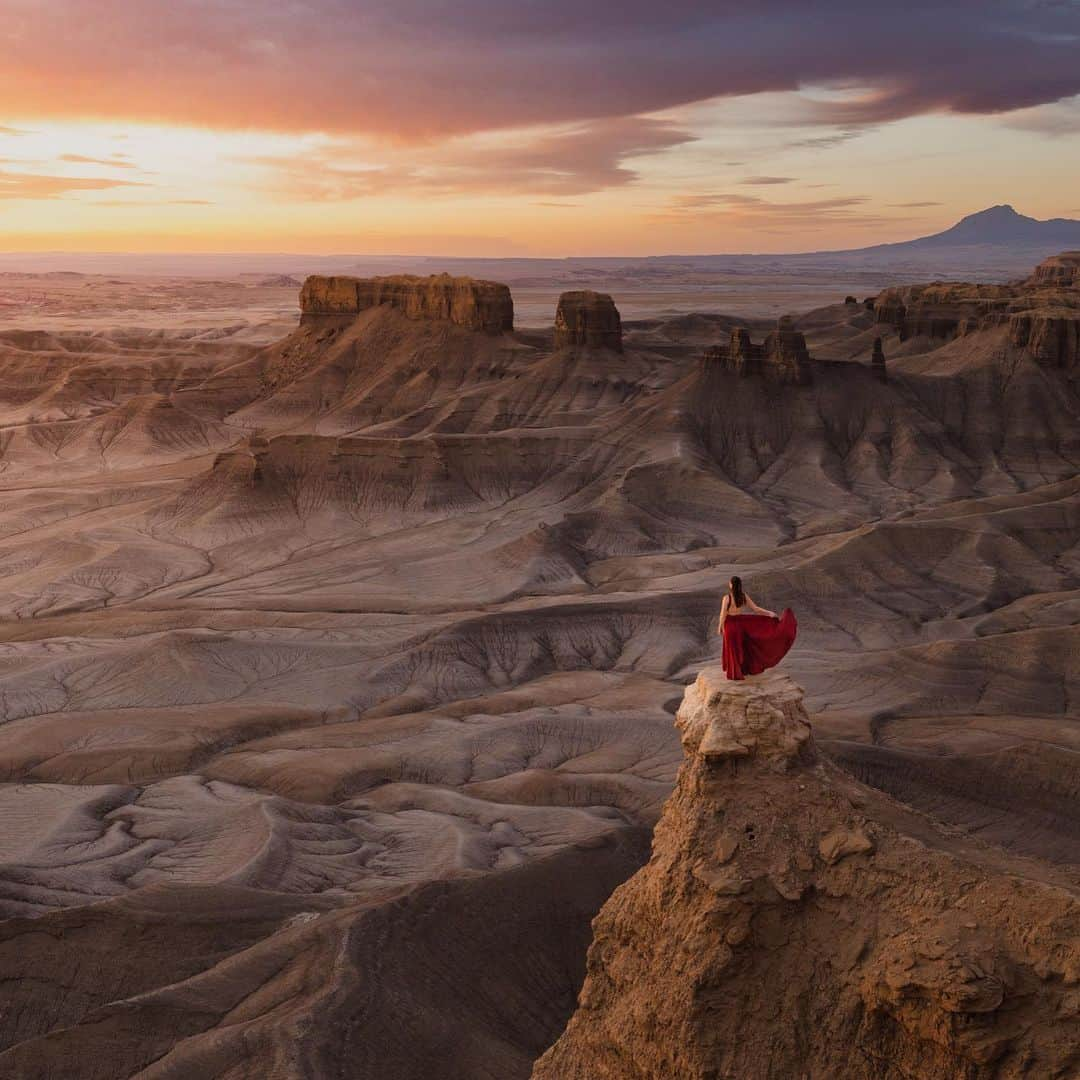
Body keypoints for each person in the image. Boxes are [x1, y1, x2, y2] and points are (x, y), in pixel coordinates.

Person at [718, 575, 797, 681]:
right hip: (740, 624)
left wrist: (720, 627)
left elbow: (723, 614)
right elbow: (756, 609)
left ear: (731, 585)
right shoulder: (743, 596)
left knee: (732, 648)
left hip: (730, 625)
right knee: (741, 646)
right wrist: (769, 614)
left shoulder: (726, 598)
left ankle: (734, 673)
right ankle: (741, 670)